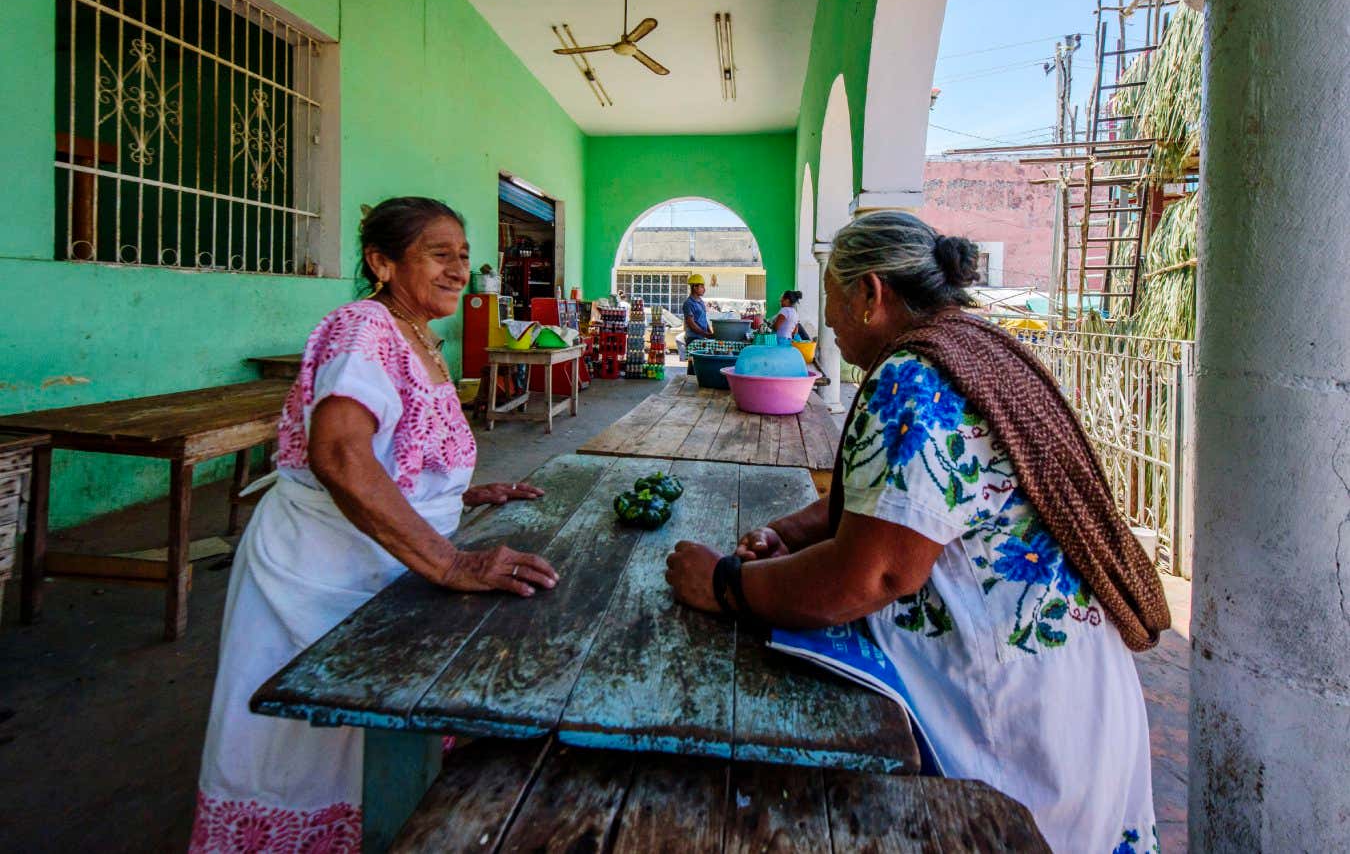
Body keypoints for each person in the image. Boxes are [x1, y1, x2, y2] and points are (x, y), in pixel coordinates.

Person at [665, 211, 1169, 853]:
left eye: (833, 302)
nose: (831, 324)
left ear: (870, 295)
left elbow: (873, 575)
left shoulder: (912, 375)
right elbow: (915, 495)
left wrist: (726, 583)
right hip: (1078, 693)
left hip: (1011, 715)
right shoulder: (974, 346)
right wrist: (792, 532)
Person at [191, 197, 558, 853]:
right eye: (438, 255)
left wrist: (463, 492)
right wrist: (452, 562)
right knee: (301, 754)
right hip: (316, 577)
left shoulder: (419, 334)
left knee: (368, 745)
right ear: (381, 263)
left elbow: (399, 448)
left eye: (465, 257)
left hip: (380, 570)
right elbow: (338, 454)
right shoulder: (361, 328)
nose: (458, 272)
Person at [682, 274, 713, 340]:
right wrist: (706, 334)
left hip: (702, 337)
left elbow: (704, 320)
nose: (704, 289)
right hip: (693, 339)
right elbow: (691, 324)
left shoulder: (701, 302)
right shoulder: (688, 303)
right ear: (695, 287)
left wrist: (710, 333)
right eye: (701, 287)